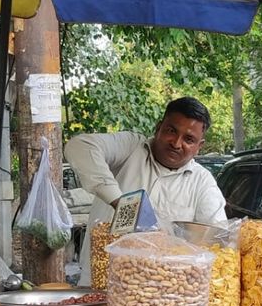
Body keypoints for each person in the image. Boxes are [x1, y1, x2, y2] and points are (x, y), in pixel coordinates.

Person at [65, 97, 226, 285]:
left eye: (189, 139)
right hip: (101, 285)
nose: (176, 143)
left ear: (200, 147)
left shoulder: (202, 182)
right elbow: (79, 146)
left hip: (159, 295)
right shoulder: (131, 148)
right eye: (171, 131)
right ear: (158, 128)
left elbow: (218, 240)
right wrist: (123, 205)